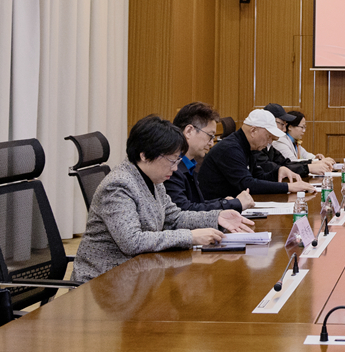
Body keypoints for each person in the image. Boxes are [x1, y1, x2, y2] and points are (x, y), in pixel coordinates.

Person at [70, 115, 255, 283]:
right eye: (172, 160)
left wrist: (217, 217)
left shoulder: (153, 179)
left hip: (138, 274)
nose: (175, 168)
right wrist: (190, 237)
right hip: (105, 282)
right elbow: (132, 242)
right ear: (144, 155)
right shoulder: (118, 185)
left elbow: (174, 217)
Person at [198, 109, 316, 199]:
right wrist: (289, 187)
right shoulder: (230, 149)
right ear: (253, 131)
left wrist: (278, 172)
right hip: (216, 209)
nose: (270, 142)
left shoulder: (248, 146)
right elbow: (247, 185)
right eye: (268, 136)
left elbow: (258, 176)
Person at [164, 102, 255, 212]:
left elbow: (196, 203)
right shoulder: (171, 167)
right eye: (210, 136)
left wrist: (225, 202)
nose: (211, 143)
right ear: (189, 131)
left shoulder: (188, 164)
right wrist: (231, 204)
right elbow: (184, 211)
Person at [270, 108, 335, 174]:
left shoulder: (294, 141)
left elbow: (305, 154)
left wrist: (318, 158)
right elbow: (292, 162)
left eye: (305, 127)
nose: (304, 131)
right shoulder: (280, 141)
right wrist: (317, 162)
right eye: (302, 127)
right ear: (290, 127)